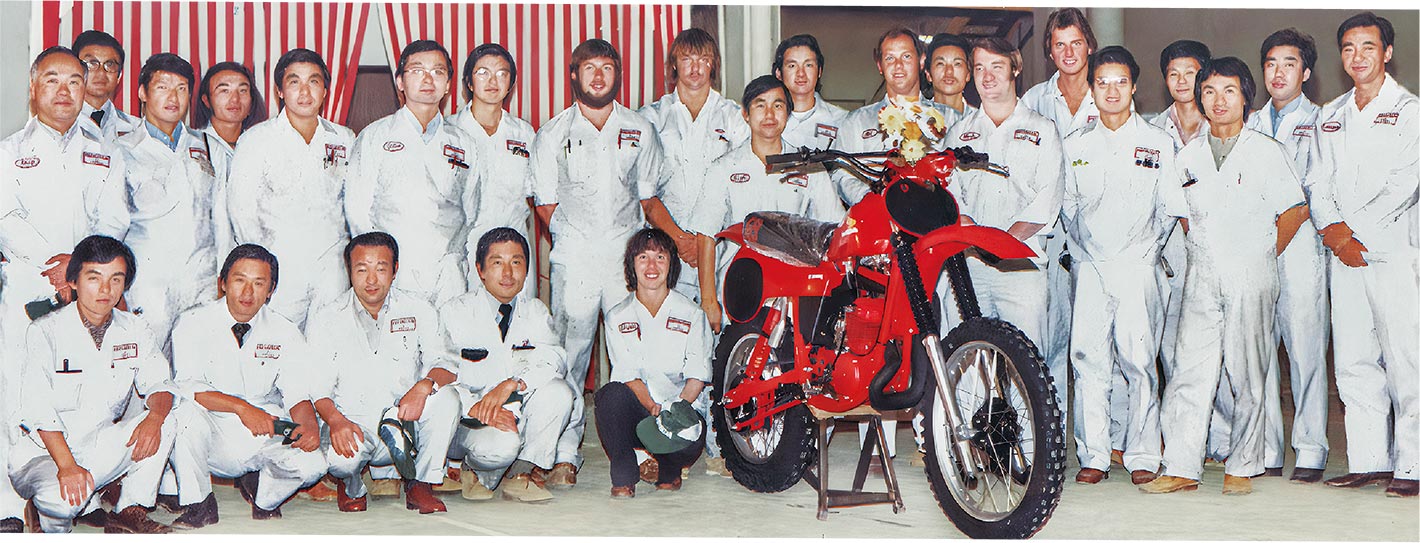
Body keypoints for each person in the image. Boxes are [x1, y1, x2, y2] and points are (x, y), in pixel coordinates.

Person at [1142, 57, 1310, 496]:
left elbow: (1294, 209)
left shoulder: (1265, 151)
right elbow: (1183, 215)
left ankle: (1243, 465)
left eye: (1229, 91)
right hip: (1202, 274)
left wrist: (1262, 253)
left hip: (1251, 274)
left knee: (1248, 370)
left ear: (1245, 99)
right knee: (1188, 371)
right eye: (1210, 92)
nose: (1218, 101)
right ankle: (1181, 466)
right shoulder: (1188, 155)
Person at [529, 38, 681, 488]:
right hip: (575, 259)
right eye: (588, 68)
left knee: (633, 354)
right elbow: (546, 205)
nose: (598, 76)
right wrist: (579, 242)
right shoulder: (553, 132)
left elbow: (648, 196)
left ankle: (642, 449)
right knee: (571, 357)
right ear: (573, 75)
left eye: (607, 68)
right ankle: (563, 453)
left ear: (618, 74)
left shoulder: (639, 128)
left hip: (625, 259)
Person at [1, 48, 132, 531]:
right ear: (33, 87)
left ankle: (78, 486)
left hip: (86, 288)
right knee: (14, 393)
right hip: (28, 289)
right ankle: (8, 507)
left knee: (82, 388)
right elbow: (5, 217)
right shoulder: (10, 151)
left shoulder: (103, 151)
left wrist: (77, 268)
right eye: (52, 79)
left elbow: (116, 218)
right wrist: (53, 265)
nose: (64, 90)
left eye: (75, 81)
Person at [1060, 46, 1182, 486]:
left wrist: (1146, 253)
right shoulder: (1075, 145)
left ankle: (1144, 454)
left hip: (1138, 266)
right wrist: (1084, 252)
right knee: (1088, 359)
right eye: (1102, 82)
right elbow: (1068, 206)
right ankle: (1094, 453)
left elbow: (1169, 209)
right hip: (1091, 265)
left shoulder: (1157, 143)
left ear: (1134, 87)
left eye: (1120, 82)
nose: (1111, 91)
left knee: (1139, 361)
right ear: (1091, 88)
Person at [1310, 12, 1417, 498]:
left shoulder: (1410, 110)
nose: (1358, 56)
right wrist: (1333, 233)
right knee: (1353, 360)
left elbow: (1406, 185)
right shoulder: (1330, 114)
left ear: (1387, 52)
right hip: (1343, 255)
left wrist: (1355, 235)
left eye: (1368, 47)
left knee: (1404, 361)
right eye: (1349, 48)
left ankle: (1411, 465)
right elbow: (1317, 180)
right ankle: (1370, 461)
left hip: (1393, 253)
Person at [8, 235, 180, 533]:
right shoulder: (45, 331)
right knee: (63, 502)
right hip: (43, 454)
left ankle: (129, 508)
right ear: (73, 281)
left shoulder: (134, 328)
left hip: (97, 444)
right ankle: (44, 508)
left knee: (170, 418)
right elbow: (38, 408)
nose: (105, 289)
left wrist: (154, 416)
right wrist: (67, 466)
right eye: (94, 278)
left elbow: (160, 383)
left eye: (116, 279)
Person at [1229, 28, 1330, 483]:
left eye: (1289, 63)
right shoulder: (1246, 122)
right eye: (1270, 63)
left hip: (1300, 246)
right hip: (1254, 248)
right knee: (1259, 352)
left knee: (1306, 349)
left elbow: (1315, 192)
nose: (1278, 72)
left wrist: (1278, 237)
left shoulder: (1322, 121)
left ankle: (1310, 449)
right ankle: (1267, 449)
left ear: (1305, 72)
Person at [940, 37, 1064, 410]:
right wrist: (976, 239)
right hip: (970, 267)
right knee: (968, 362)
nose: (987, 76)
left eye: (996, 66)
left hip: (1021, 267)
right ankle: (970, 454)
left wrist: (1002, 243)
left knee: (1026, 365)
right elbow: (951, 197)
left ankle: (1032, 454)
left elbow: (1048, 196)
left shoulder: (1042, 129)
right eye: (979, 68)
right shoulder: (959, 134)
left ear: (1015, 68)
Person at [167, 244, 328, 519]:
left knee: (314, 463)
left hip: (266, 425)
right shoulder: (192, 322)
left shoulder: (285, 331)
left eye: (258, 283)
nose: (247, 292)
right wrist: (242, 408)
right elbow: (189, 386)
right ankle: (200, 504)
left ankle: (264, 496)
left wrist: (308, 427)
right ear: (223, 283)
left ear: (271, 290)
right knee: (181, 413)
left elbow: (296, 393)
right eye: (239, 280)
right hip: (212, 425)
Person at [307, 232, 460, 514]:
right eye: (362, 269)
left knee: (448, 398)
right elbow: (317, 389)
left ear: (395, 270)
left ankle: (420, 484)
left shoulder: (419, 309)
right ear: (349, 271)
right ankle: (351, 484)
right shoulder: (326, 319)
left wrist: (424, 385)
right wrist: (337, 422)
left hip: (405, 421)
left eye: (381, 268)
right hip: (354, 425)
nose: (372, 280)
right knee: (340, 461)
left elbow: (448, 364)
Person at [439, 227, 574, 503]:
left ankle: (520, 474)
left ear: (526, 270)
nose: (508, 273)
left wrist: (514, 384)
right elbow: (440, 372)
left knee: (560, 392)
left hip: (514, 412)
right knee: (502, 447)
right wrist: (476, 408)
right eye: (497, 263)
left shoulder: (535, 311)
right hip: (468, 421)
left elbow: (554, 360)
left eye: (516, 262)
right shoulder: (455, 311)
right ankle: (467, 468)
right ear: (480, 270)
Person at [226, 48, 353, 330]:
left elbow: (351, 205)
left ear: (325, 90)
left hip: (331, 268)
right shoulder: (257, 139)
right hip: (280, 269)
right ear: (280, 91)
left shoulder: (343, 139)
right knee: (276, 347)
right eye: (295, 82)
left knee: (328, 348)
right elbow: (241, 210)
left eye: (314, 82)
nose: (305, 92)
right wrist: (265, 266)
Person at [346, 40, 473, 307]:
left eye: (438, 72)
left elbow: (473, 211)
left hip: (449, 272)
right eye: (417, 70)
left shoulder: (463, 142)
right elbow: (358, 211)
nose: (428, 78)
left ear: (449, 84)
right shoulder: (374, 136)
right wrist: (380, 266)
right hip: (395, 271)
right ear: (400, 82)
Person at [595, 228, 711, 498]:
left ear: (671, 264)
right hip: (643, 411)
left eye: (660, 257)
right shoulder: (617, 316)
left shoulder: (692, 314)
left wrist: (673, 412)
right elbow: (626, 373)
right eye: (643, 257)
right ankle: (624, 474)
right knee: (609, 396)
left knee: (686, 434)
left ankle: (668, 467)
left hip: (681, 411)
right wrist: (652, 409)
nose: (651, 266)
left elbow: (697, 375)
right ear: (631, 265)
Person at [117, 52, 219, 352]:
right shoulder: (121, 149)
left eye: (182, 88)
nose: (173, 97)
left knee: (197, 373)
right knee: (144, 375)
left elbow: (220, 217)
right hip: (147, 284)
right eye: (162, 87)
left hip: (201, 282)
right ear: (142, 93)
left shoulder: (205, 145)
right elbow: (111, 227)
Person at [640, 28, 749, 303]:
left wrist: (705, 244)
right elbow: (643, 192)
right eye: (687, 59)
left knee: (717, 334)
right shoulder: (651, 117)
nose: (696, 68)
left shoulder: (735, 118)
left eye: (703, 59)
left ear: (714, 65)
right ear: (674, 64)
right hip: (665, 247)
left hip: (721, 249)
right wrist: (679, 239)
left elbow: (742, 185)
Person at [833, 26, 958, 207]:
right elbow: (841, 175)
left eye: (906, 56)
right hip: (876, 218)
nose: (898, 65)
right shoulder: (855, 122)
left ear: (921, 61)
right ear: (880, 66)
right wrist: (876, 201)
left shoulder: (951, 119)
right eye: (889, 58)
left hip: (937, 222)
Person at [451, 43, 538, 294]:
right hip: (465, 249)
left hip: (513, 248)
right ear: (469, 82)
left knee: (517, 326)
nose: (492, 81)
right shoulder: (450, 132)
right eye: (483, 73)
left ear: (511, 84)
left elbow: (535, 195)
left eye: (501, 73)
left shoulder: (524, 133)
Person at [194, 61, 268, 264]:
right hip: (206, 261)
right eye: (224, 90)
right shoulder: (194, 147)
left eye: (242, 90)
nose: (235, 99)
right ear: (206, 100)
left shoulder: (262, 146)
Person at [773, 34, 848, 151]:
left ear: (819, 71)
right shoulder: (765, 120)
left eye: (808, 65)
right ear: (778, 73)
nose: (801, 73)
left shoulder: (842, 120)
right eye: (792, 66)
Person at [72, 30, 139, 141]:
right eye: (92, 63)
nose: (101, 73)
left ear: (119, 76)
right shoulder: (58, 124)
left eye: (110, 65)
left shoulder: (137, 129)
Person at [926, 33, 974, 116]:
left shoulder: (982, 123)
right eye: (940, 64)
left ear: (968, 74)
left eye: (957, 64)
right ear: (928, 75)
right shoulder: (912, 121)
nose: (949, 71)